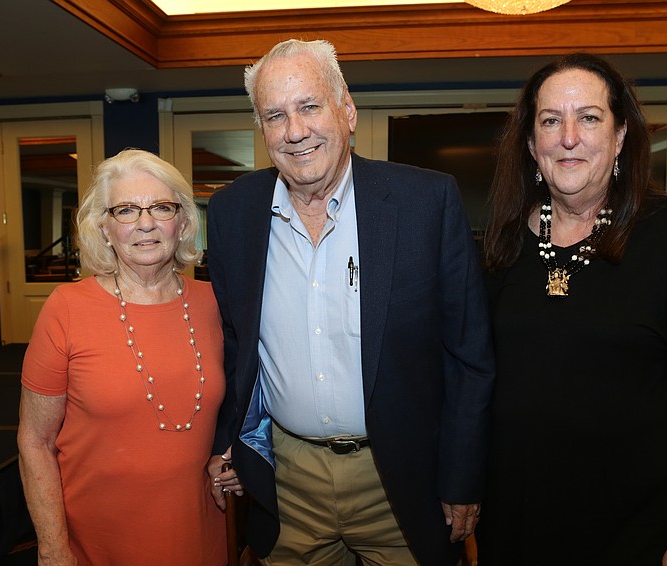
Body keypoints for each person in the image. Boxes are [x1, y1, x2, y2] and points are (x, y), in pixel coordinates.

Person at [205, 39, 495, 566]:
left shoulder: (426, 203)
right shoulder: (232, 213)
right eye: (275, 115)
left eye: (309, 106)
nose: (295, 131)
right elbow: (233, 341)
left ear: (348, 111)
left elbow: (469, 357)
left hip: (401, 478)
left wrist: (462, 475)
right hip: (289, 479)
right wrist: (229, 438)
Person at [476, 52, 667, 565]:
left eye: (589, 117)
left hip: (632, 530)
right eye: (550, 121)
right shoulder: (501, 242)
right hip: (515, 524)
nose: (568, 137)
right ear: (531, 143)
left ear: (620, 136)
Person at [17, 149, 227, 565]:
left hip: (199, 533)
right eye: (126, 210)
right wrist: (53, 548)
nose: (145, 223)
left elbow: (245, 403)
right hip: (97, 542)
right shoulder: (66, 309)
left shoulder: (215, 303)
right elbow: (35, 441)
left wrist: (231, 454)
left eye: (161, 208)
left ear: (183, 223)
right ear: (105, 228)